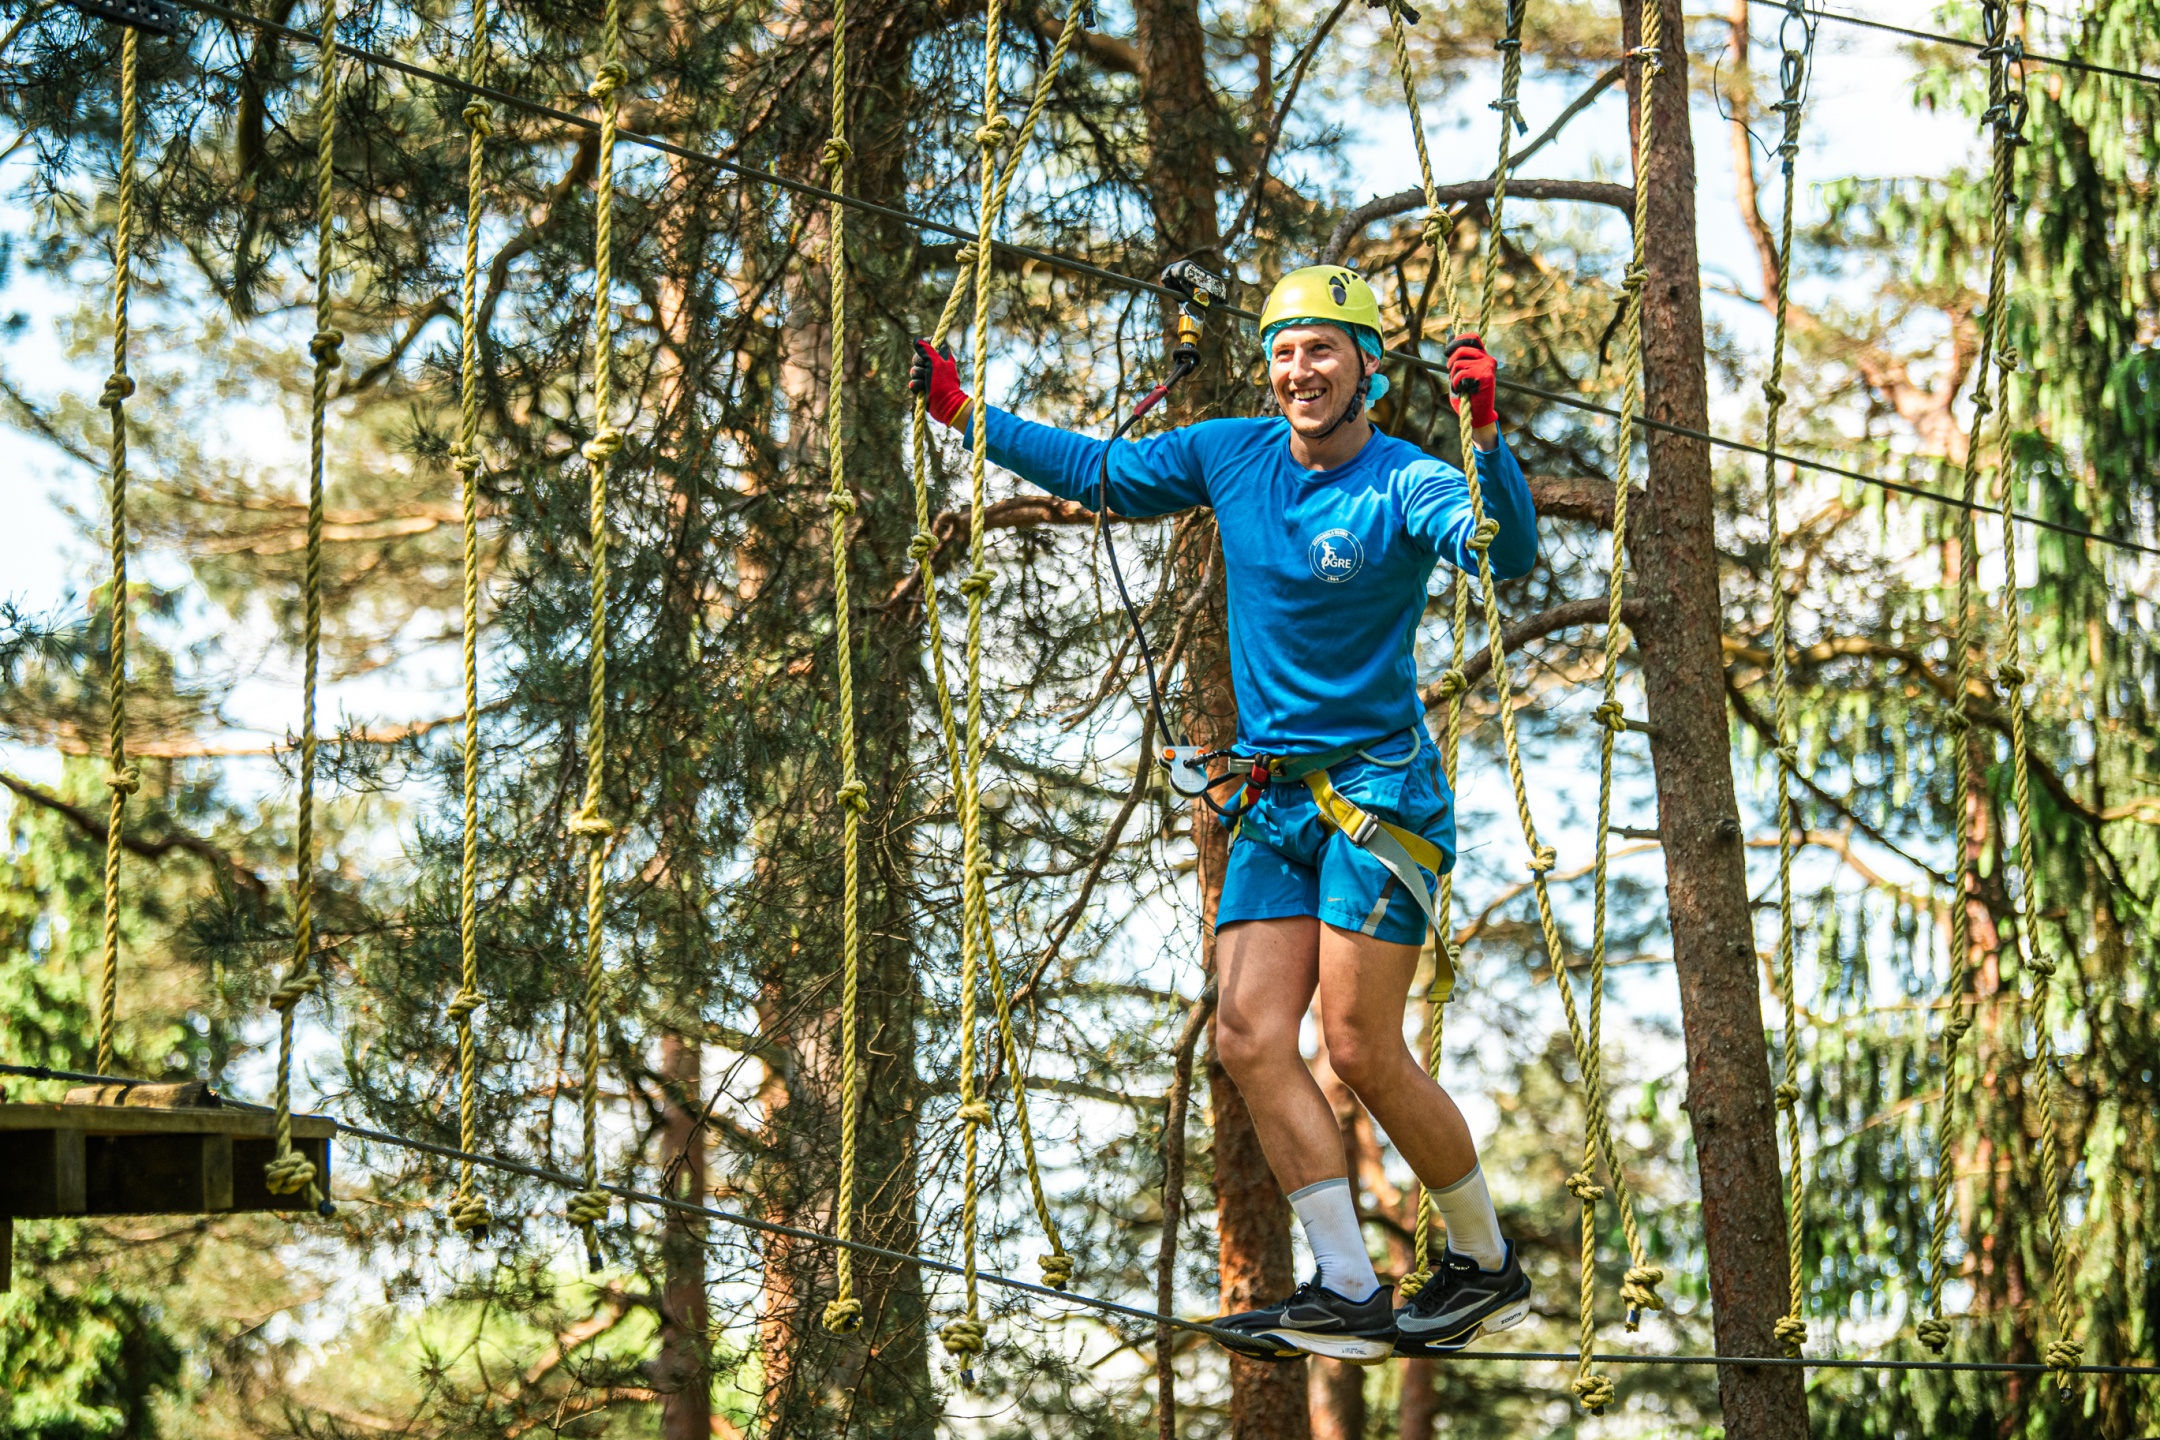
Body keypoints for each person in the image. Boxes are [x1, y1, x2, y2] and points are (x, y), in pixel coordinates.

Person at [909, 266, 1538, 1365]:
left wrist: (1485, 441)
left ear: (1366, 368)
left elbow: (1505, 555)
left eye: (1323, 350)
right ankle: (1347, 1288)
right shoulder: (1231, 453)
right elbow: (1099, 471)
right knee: (1248, 1036)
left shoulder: (1406, 481)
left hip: (1378, 794)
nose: (1300, 370)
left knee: (1359, 1045)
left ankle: (1486, 1266)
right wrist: (967, 415)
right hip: (1275, 800)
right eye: (1285, 352)